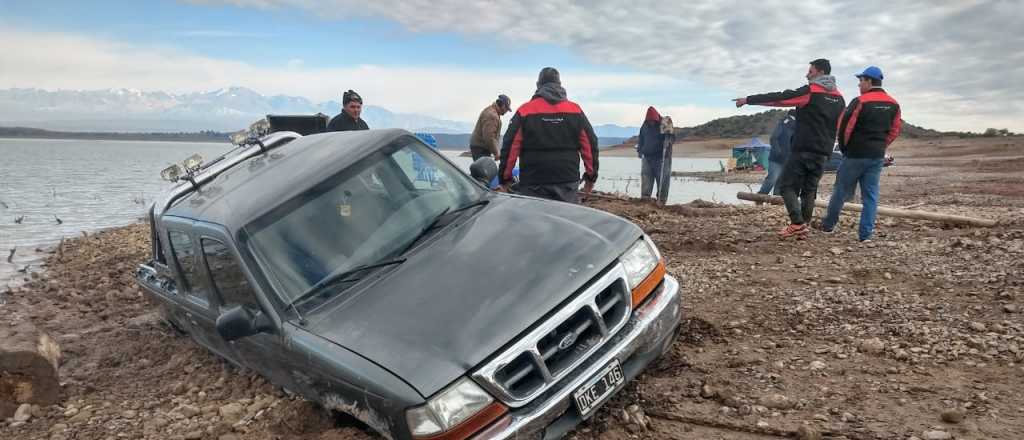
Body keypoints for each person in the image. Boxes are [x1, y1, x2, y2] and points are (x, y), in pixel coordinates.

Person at [734, 58, 845, 238]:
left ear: (821, 72)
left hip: (804, 149)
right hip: (824, 152)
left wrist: (748, 100)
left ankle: (797, 223)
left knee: (786, 187)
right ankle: (804, 228)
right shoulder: (839, 98)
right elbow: (840, 126)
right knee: (809, 190)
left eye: (810, 71)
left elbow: (780, 98)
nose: (807, 74)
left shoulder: (810, 91)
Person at [820, 66, 902, 242]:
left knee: (840, 191)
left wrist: (844, 148)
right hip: (876, 156)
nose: (859, 84)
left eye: (861, 81)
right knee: (870, 196)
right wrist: (881, 146)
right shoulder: (894, 104)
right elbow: (895, 130)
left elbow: (844, 128)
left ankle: (828, 225)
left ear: (869, 81)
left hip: (855, 155)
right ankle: (865, 235)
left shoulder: (860, 101)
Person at [498, 67, 599, 203]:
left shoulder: (525, 111)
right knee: (566, 220)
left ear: (538, 85)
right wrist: (591, 177)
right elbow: (590, 144)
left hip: (533, 181)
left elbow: (510, 146)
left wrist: (505, 179)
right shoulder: (575, 110)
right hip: (567, 180)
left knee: (534, 221)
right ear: (560, 85)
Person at [757, 110, 796, 196]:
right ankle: (760, 196)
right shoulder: (783, 123)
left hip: (788, 159)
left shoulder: (797, 126)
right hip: (777, 158)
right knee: (772, 179)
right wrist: (779, 152)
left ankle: (776, 200)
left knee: (780, 181)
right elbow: (773, 138)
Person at [469, 95, 512, 161]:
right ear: (503, 106)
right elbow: (489, 137)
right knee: (482, 170)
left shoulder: (491, 111)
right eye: (507, 108)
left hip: (480, 147)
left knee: (481, 169)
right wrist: (496, 152)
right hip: (481, 148)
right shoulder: (492, 116)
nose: (506, 111)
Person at [637, 107, 666, 200]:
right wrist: (639, 150)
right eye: (649, 121)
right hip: (647, 157)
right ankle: (645, 198)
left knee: (661, 179)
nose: (651, 123)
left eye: (652, 121)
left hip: (660, 158)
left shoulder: (664, 123)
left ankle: (661, 199)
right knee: (646, 177)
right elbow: (641, 138)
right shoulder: (644, 125)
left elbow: (670, 139)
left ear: (656, 119)